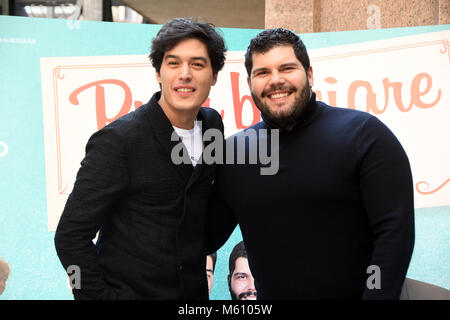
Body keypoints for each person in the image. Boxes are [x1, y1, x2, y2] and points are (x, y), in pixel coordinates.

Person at [207, 28, 415, 299]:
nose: (275, 80)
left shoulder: (365, 135)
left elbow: (394, 236)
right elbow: (203, 237)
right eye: (262, 73)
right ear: (250, 84)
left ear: (309, 74)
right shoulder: (234, 154)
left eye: (287, 68)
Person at [54, 18, 227, 300]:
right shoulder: (119, 141)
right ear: (158, 73)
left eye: (197, 64)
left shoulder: (212, 126)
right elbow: (69, 237)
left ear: (215, 75)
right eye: (173, 63)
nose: (185, 74)